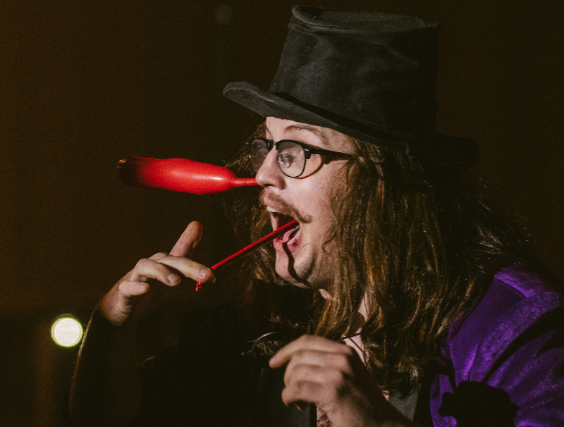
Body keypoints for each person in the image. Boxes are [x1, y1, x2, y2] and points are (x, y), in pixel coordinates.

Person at [68, 6, 564, 427]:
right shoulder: (270, 314)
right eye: (267, 146)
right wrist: (112, 327)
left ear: (382, 180)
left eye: (297, 151)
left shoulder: (514, 324)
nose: (263, 174)